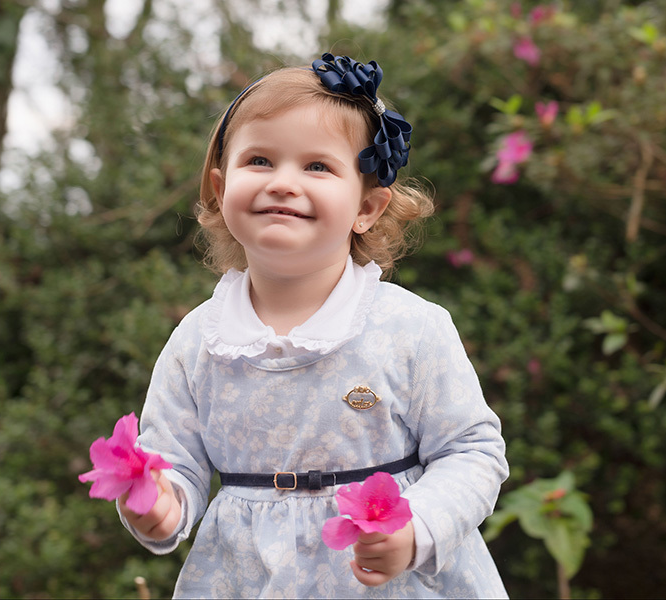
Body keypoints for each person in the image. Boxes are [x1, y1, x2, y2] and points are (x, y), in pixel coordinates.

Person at [117, 52, 509, 598]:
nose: (283, 182)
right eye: (259, 160)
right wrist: (159, 505)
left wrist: (417, 528)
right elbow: (174, 466)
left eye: (317, 167)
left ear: (367, 208)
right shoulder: (198, 342)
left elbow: (472, 451)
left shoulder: (410, 328)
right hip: (246, 582)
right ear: (220, 187)